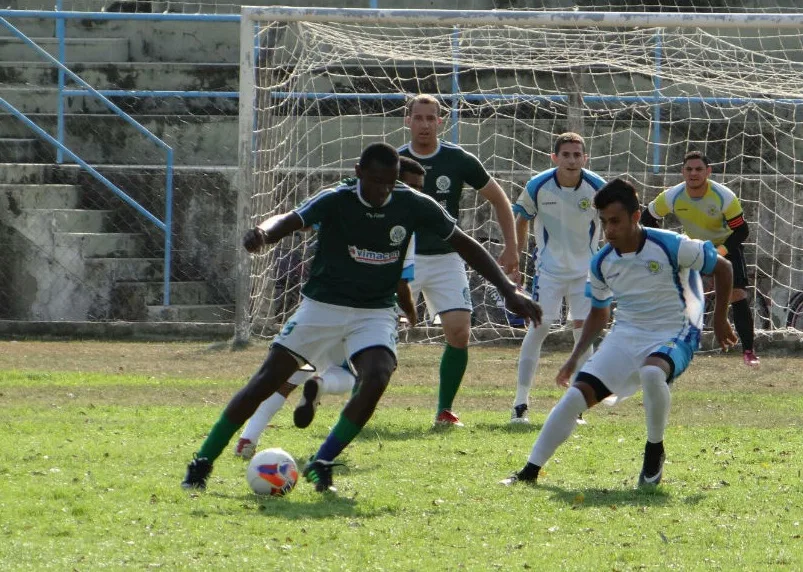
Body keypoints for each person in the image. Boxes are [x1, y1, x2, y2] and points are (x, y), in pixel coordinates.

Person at [182, 142, 542, 493]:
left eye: (390, 182)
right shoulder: (336, 199)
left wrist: (509, 290)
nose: (382, 190)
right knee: (265, 380)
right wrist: (264, 233)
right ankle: (203, 461)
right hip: (322, 306)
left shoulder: (412, 203)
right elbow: (290, 219)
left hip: (374, 310)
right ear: (359, 174)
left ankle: (321, 464)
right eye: (375, 181)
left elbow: (465, 243)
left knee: (377, 375)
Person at [501, 178, 737, 488]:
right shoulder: (601, 262)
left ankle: (654, 450)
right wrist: (574, 358)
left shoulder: (671, 245)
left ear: (636, 216)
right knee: (574, 397)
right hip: (626, 333)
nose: (609, 229)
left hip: (676, 330)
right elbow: (600, 313)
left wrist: (719, 319)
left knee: (653, 373)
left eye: (615, 221)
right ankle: (529, 472)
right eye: (603, 222)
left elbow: (723, 268)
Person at [232, 157, 427, 459]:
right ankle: (321, 387)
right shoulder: (400, 221)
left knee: (288, 376)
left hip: (320, 306)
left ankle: (248, 437)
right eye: (409, 185)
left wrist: (266, 232)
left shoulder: (338, 196)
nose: (413, 192)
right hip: (360, 311)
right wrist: (411, 313)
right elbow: (401, 283)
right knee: (351, 376)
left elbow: (301, 220)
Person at [399, 94, 519, 427]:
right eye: (418, 117)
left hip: (446, 257)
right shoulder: (393, 161)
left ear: (441, 121)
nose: (424, 124)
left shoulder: (458, 159)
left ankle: (444, 410)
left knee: (459, 331)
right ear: (407, 120)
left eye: (431, 118)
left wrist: (511, 246)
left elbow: (498, 197)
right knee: (376, 331)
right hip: (400, 258)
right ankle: (358, 399)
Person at [509, 132, 605, 424]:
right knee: (540, 328)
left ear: (585, 158)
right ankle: (520, 403)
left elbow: (613, 224)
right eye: (566, 155)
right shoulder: (538, 186)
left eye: (577, 155)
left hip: (585, 274)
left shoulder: (598, 188)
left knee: (583, 333)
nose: (572, 160)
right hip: (548, 272)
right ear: (555, 158)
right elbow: (522, 219)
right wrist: (515, 259)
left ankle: (576, 406)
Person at [642, 151, 759, 367]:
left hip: (725, 247)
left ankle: (748, 352)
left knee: (738, 295)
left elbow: (742, 231)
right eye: (689, 169)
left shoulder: (723, 196)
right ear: (682, 172)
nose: (693, 173)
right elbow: (646, 218)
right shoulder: (672, 196)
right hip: (693, 247)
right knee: (674, 294)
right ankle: (668, 345)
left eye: (698, 169)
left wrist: (720, 252)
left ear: (708, 172)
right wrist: (665, 245)